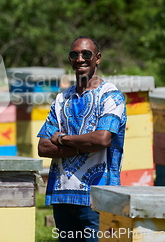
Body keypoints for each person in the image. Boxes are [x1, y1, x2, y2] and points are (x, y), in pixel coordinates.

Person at [37, 36, 127, 242]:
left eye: (86, 54)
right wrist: (82, 145)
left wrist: (62, 138)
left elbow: (102, 139)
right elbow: (43, 147)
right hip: (62, 196)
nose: (80, 59)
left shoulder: (111, 96)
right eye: (74, 54)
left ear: (97, 58)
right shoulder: (62, 99)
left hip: (98, 197)